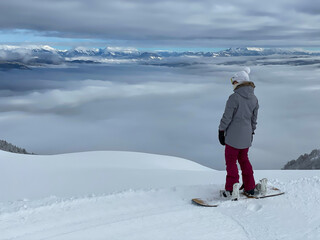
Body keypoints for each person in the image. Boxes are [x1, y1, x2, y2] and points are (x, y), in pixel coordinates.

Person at [218, 67, 259, 197]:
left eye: (234, 82)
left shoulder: (234, 98)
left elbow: (227, 117)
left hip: (233, 138)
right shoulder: (254, 99)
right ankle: (250, 186)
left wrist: (221, 131)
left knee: (231, 162)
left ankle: (231, 189)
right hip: (247, 136)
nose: (233, 85)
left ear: (240, 82)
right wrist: (251, 133)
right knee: (244, 160)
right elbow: (254, 120)